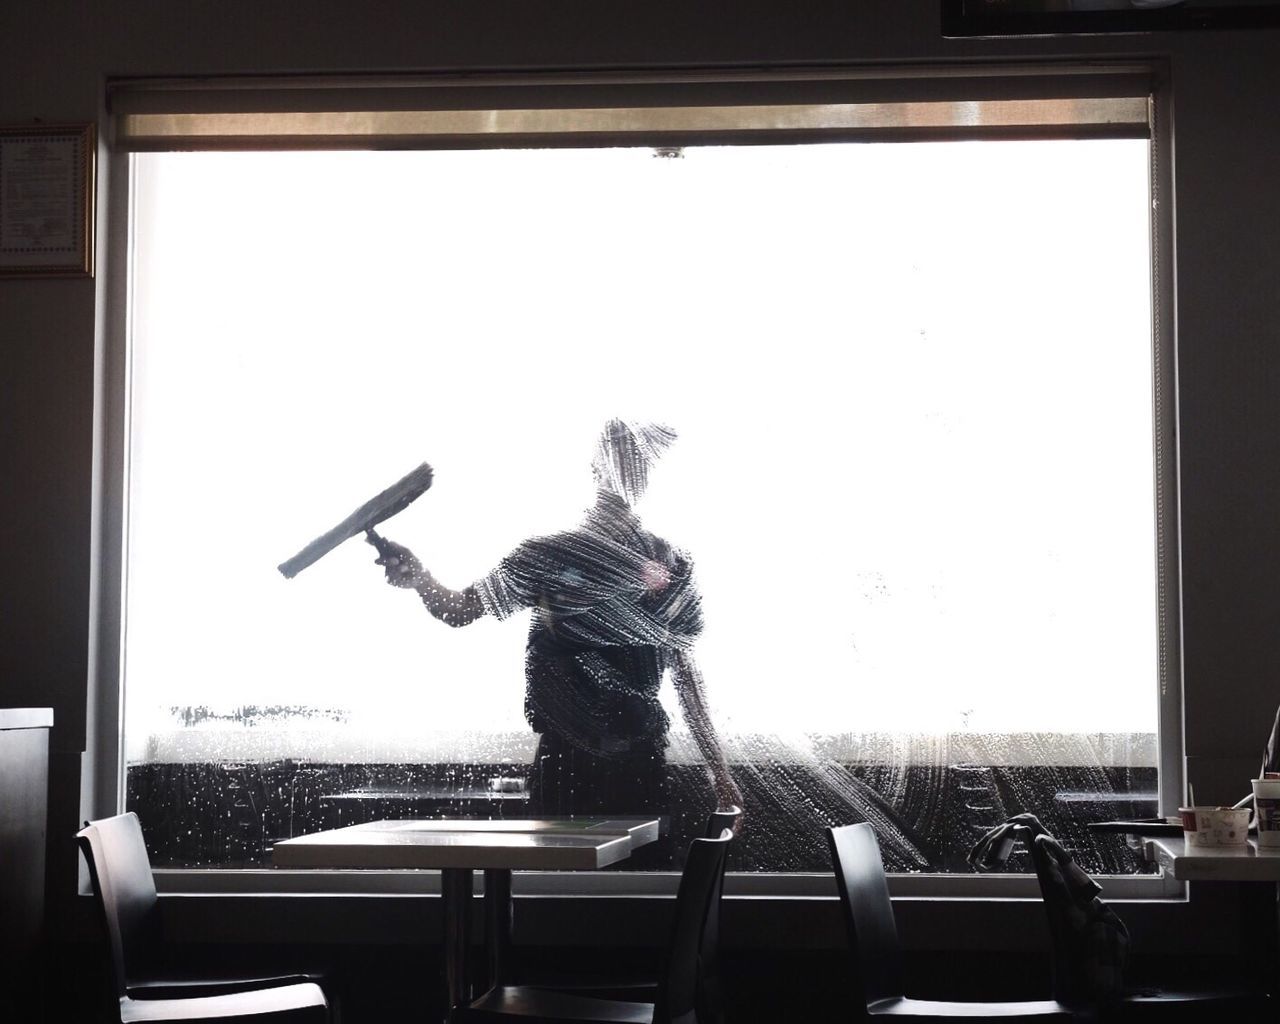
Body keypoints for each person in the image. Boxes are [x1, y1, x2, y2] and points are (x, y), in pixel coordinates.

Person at [366, 419, 742, 823]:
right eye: (619, 462)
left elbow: (687, 675)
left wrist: (721, 775)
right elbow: (460, 610)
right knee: (559, 879)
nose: (627, 474)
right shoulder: (548, 554)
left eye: (635, 464)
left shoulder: (671, 563)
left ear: (645, 475)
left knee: (633, 881)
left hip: (638, 760)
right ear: (597, 469)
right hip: (566, 760)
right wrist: (420, 577)